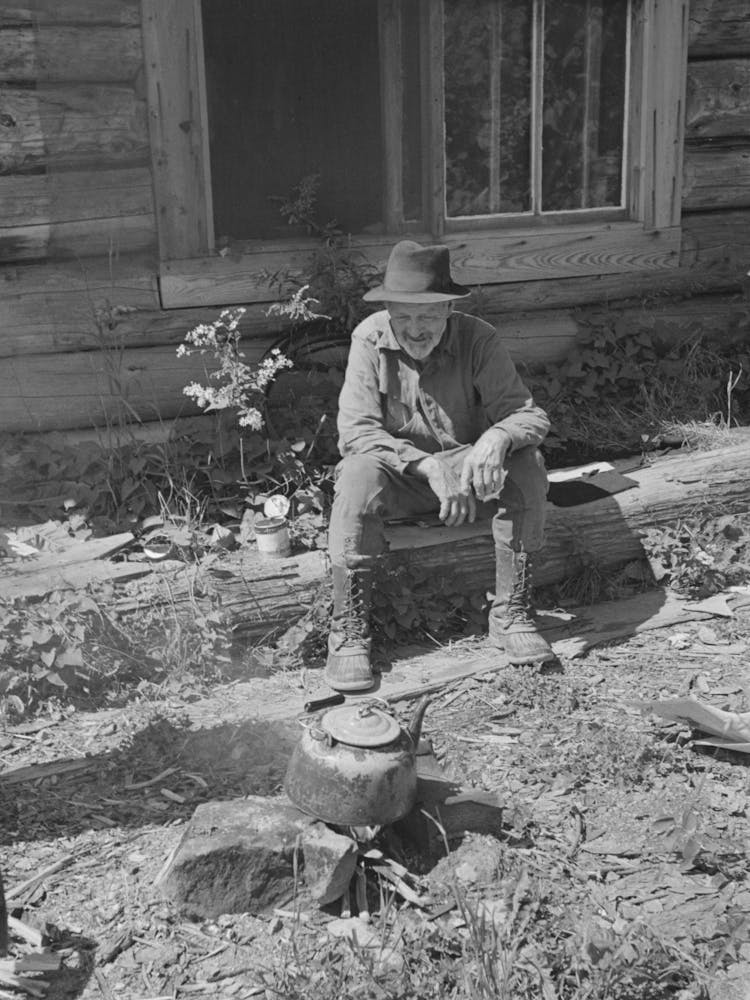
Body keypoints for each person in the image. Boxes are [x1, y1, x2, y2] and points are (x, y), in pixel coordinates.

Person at [325, 239, 554, 692]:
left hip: (472, 479)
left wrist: (497, 436)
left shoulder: (478, 338)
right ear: (388, 309)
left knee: (528, 465)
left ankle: (513, 613)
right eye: (404, 316)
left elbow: (529, 415)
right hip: (404, 477)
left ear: (449, 308)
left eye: (428, 315)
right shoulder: (369, 338)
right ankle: (348, 632)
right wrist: (428, 467)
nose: (415, 328)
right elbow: (356, 431)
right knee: (355, 474)